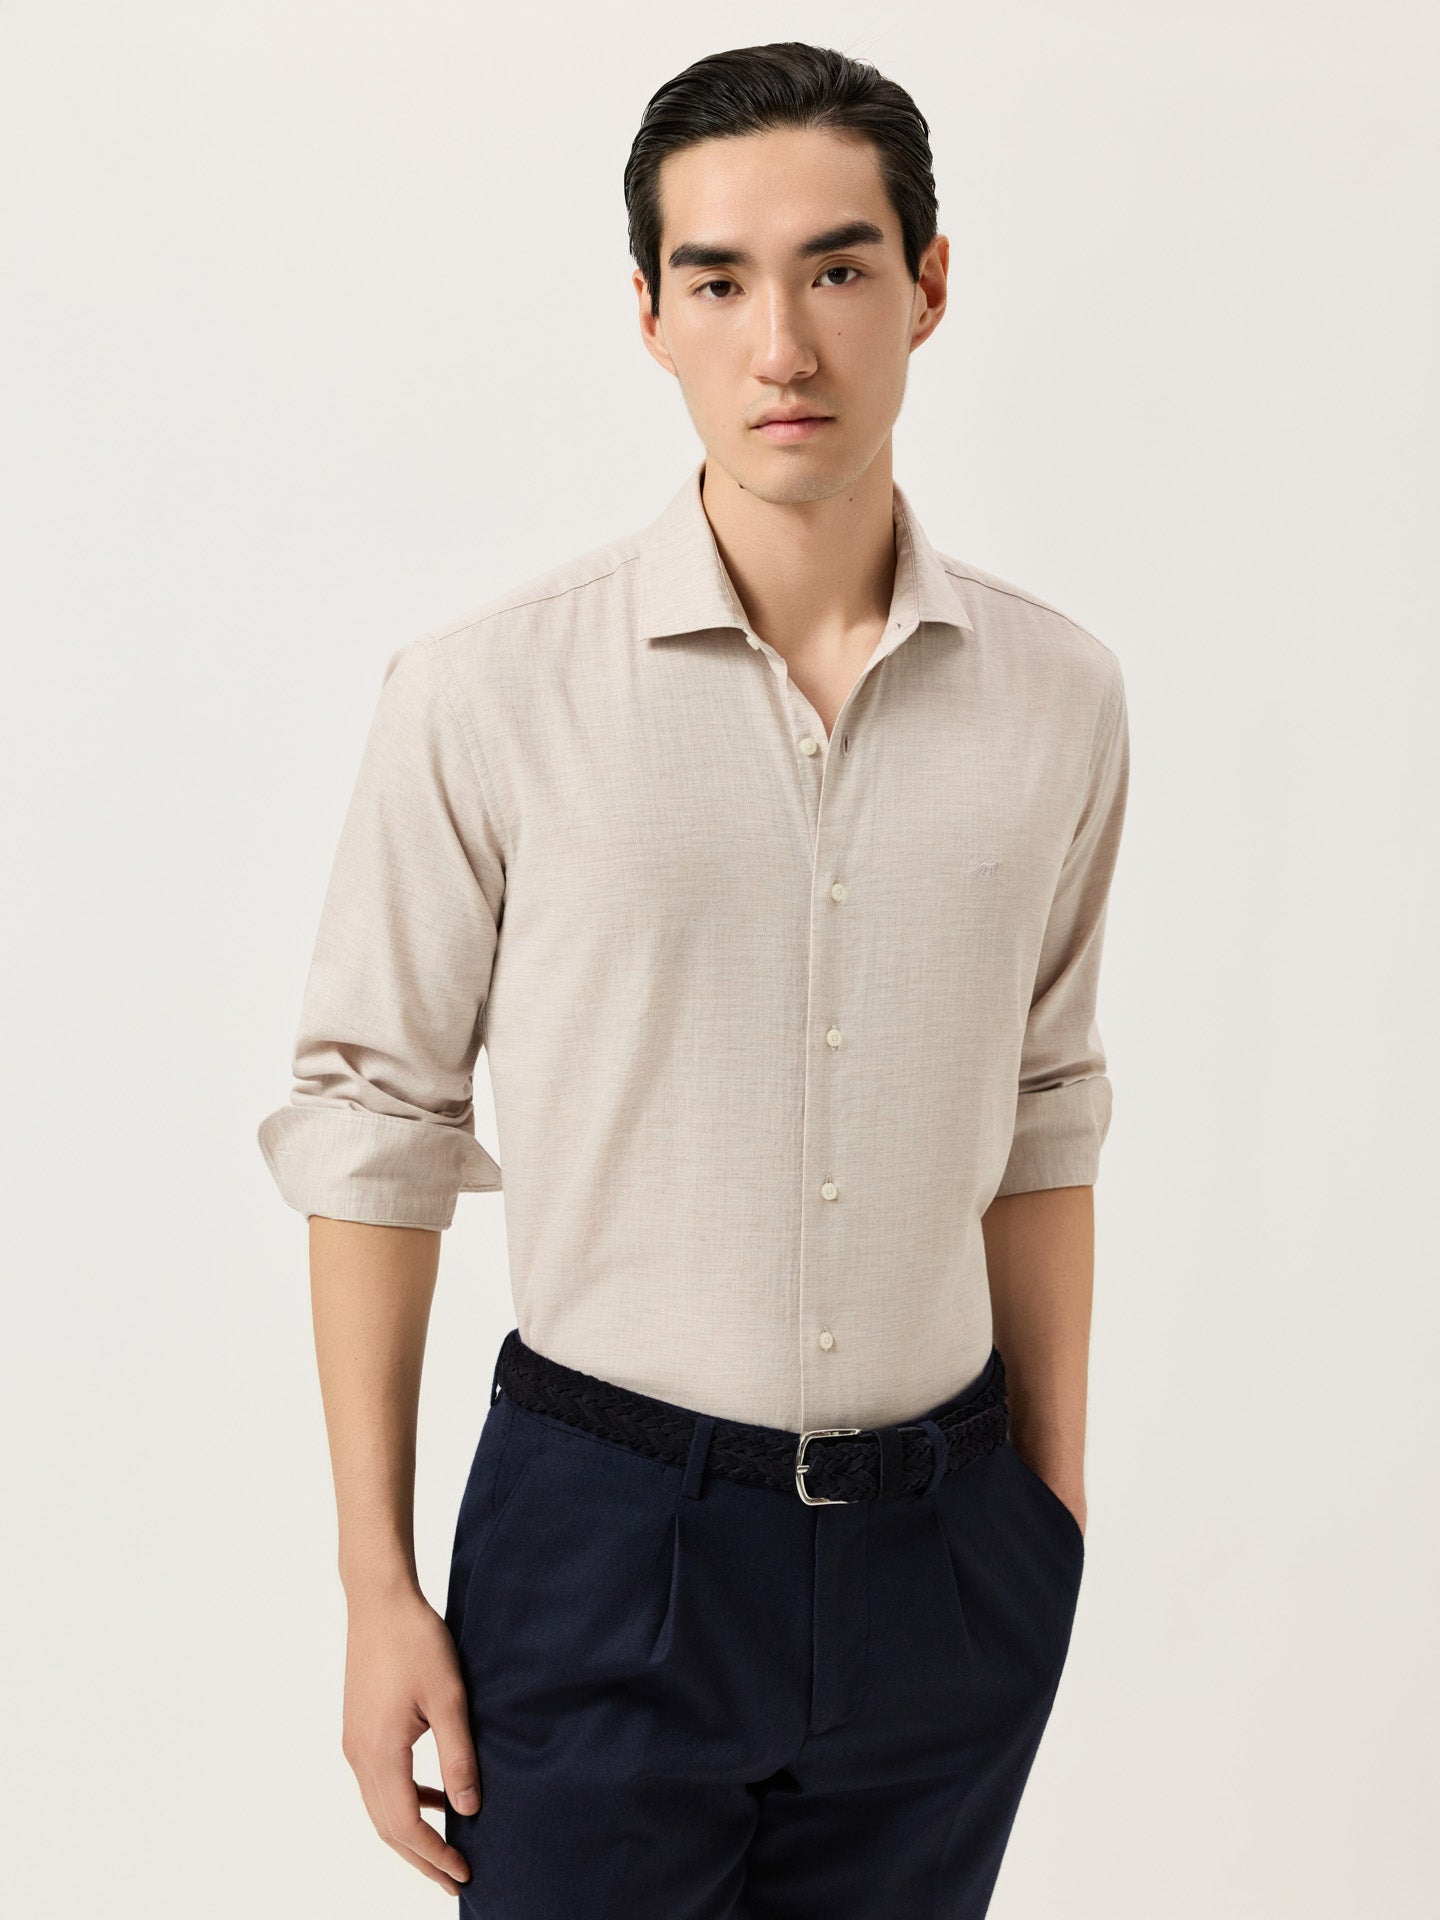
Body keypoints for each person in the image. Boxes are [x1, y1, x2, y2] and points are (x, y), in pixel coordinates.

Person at [257, 39, 1131, 1919]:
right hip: (603, 1542)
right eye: (720, 282)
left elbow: (1048, 1103)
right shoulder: (487, 694)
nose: (783, 347)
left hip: (947, 1557)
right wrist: (374, 1582)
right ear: (649, 313)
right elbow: (373, 1125)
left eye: (837, 269)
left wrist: (1048, 1518)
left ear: (930, 286)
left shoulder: (1059, 696)